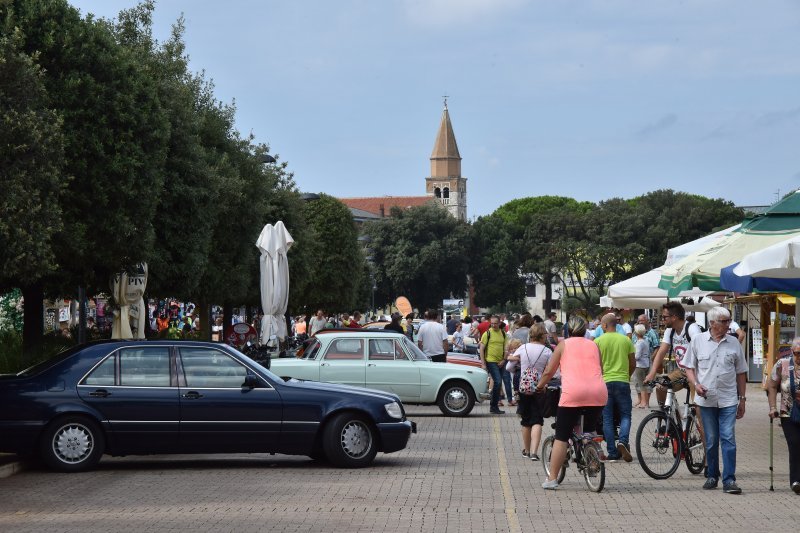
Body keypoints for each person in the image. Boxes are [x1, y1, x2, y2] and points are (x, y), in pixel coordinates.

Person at [536, 316, 608, 489]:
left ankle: (552, 478)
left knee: (561, 436)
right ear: (585, 330)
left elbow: (548, 372)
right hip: (598, 392)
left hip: (573, 393)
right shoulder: (594, 344)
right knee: (590, 430)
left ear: (567, 330)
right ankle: (592, 461)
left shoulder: (563, 345)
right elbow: (601, 369)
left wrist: (539, 386)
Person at [683, 306, 747, 494]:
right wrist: (696, 384)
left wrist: (742, 399)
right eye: (724, 321)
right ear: (712, 323)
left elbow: (741, 372)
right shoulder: (698, 340)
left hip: (728, 399)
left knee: (728, 438)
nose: (728, 325)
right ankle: (712, 474)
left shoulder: (734, 343)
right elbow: (689, 367)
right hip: (706, 400)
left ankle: (729, 480)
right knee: (711, 440)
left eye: (729, 321)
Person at [507, 323, 552, 461]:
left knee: (526, 420)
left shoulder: (522, 347)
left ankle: (526, 450)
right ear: (543, 335)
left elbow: (509, 367)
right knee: (537, 420)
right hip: (540, 387)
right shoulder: (547, 351)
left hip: (523, 387)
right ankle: (534, 452)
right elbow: (554, 373)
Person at [645, 301, 704, 406]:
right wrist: (652, 372)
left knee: (698, 406)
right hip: (681, 371)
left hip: (696, 372)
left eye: (664, 317)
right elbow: (661, 352)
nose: (663, 320)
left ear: (674, 317)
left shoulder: (692, 329)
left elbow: (701, 351)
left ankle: (698, 420)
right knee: (660, 387)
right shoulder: (670, 330)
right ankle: (666, 415)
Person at [595, 313, 635, 462]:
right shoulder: (626, 340)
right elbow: (632, 363)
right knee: (626, 415)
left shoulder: (598, 341)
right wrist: (627, 376)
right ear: (616, 325)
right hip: (622, 381)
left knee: (607, 418)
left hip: (604, 383)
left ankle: (612, 452)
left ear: (604, 326)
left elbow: (595, 364)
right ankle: (623, 441)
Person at [767, 337, 800, 494]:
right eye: (797, 353)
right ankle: (796, 480)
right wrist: (773, 407)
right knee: (794, 444)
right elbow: (772, 385)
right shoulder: (783, 364)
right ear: (792, 351)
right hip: (788, 412)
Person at [480, 315, 509, 414]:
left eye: (495, 323)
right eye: (491, 323)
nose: (493, 325)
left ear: (499, 323)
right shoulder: (487, 333)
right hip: (490, 361)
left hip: (501, 362)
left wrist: (504, 360)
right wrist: (483, 363)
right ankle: (493, 405)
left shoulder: (504, 334)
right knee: (497, 381)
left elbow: (506, 349)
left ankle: (494, 405)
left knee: (498, 382)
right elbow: (481, 349)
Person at [632, 324, 652, 409]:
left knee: (641, 384)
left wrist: (631, 356)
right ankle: (646, 402)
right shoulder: (645, 341)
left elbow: (637, 356)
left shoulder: (639, 343)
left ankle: (643, 403)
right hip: (646, 363)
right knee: (646, 384)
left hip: (639, 365)